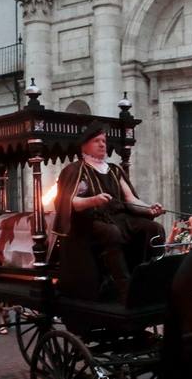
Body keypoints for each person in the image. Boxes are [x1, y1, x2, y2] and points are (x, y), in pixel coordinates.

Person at [53, 122, 166, 303]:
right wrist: (93, 200)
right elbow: (69, 203)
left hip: (119, 217)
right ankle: (123, 288)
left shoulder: (114, 170)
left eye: (104, 141)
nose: (102, 144)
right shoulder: (75, 170)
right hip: (89, 221)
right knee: (111, 232)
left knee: (154, 228)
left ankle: (149, 278)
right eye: (97, 141)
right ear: (85, 145)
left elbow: (130, 200)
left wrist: (149, 208)